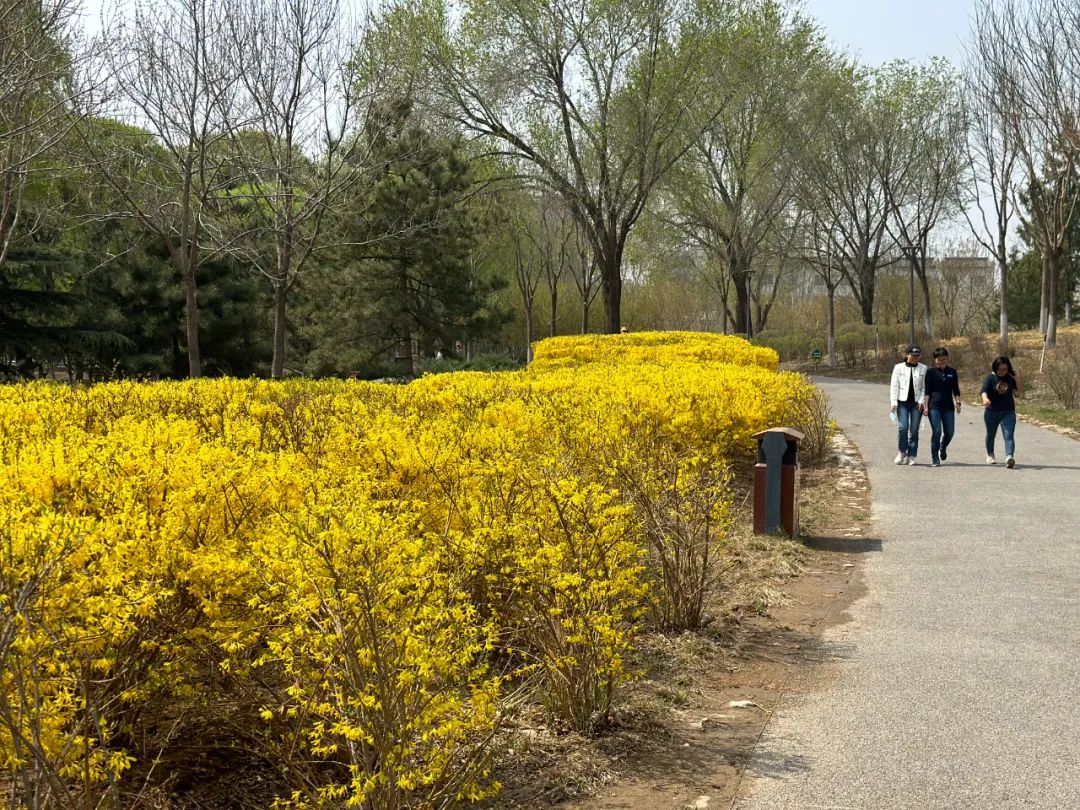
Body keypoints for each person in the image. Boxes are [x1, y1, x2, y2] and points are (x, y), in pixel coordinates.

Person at [981, 355, 1023, 467]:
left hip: (1008, 412)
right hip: (991, 411)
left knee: (1009, 434)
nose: (1002, 372)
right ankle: (990, 454)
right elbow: (984, 390)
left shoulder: (1010, 378)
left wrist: (1016, 378)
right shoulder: (990, 377)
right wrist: (985, 398)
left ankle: (1009, 456)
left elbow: (1018, 393)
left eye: (1005, 369)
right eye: (1000, 369)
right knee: (990, 434)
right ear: (995, 367)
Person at [923, 347, 962, 467]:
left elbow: (956, 389)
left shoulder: (952, 372)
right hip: (934, 406)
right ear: (935, 360)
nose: (941, 362)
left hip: (948, 406)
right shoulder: (930, 372)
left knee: (949, 432)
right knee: (937, 431)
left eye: (944, 359)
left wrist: (958, 402)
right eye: (939, 360)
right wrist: (925, 406)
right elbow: (927, 391)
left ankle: (942, 446)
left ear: (947, 359)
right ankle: (935, 457)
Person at [889, 344, 928, 465]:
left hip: (916, 403)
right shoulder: (898, 368)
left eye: (917, 356)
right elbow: (894, 385)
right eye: (913, 355)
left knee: (914, 430)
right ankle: (902, 452)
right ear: (907, 355)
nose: (915, 358)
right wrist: (893, 402)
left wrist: (921, 401)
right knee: (903, 427)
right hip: (902, 403)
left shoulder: (923, 368)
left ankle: (911, 455)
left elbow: (924, 388)